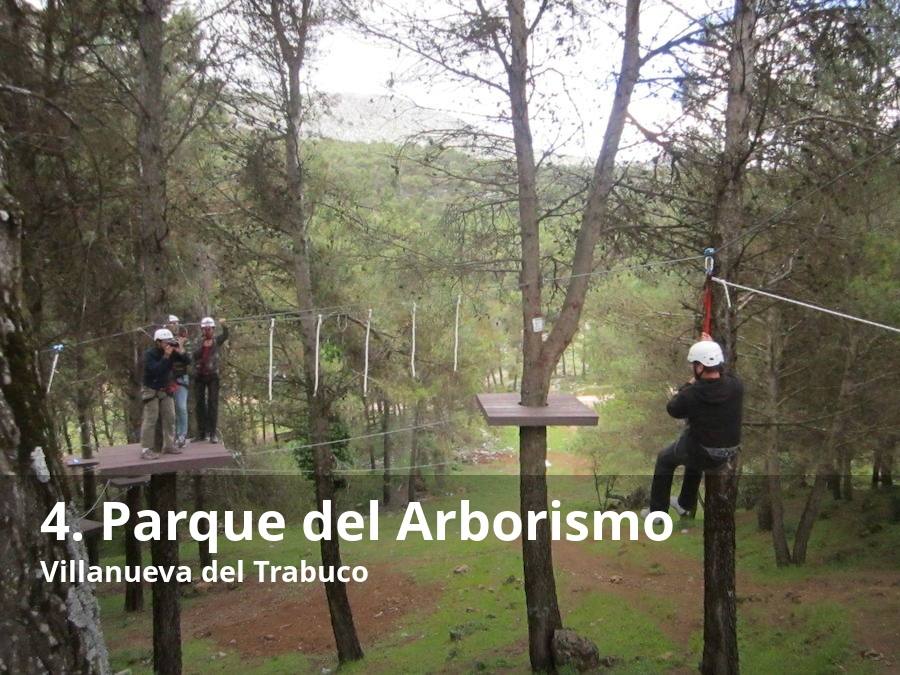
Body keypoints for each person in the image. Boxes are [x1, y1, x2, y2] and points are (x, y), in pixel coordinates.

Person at [641, 333, 743, 521]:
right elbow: (724, 373)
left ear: (700, 367)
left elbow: (673, 408)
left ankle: (657, 512)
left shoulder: (693, 393)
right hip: (729, 452)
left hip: (704, 453)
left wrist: (689, 383)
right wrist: (710, 346)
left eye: (694, 365)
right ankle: (684, 503)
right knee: (693, 446)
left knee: (665, 459)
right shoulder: (736, 386)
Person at [140, 328, 191, 460]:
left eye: (170, 341)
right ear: (158, 342)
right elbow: (156, 370)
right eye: (165, 342)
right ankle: (146, 449)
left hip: (165, 388)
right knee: (151, 418)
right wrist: (166, 356)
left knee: (170, 416)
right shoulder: (149, 354)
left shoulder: (171, 351)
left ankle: (168, 445)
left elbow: (187, 361)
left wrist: (180, 349)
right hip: (151, 389)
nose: (168, 344)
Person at [193, 316, 228, 443]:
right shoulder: (197, 341)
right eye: (205, 329)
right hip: (199, 376)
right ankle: (201, 433)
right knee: (199, 404)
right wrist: (202, 346)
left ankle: (212, 433)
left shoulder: (217, 340)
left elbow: (225, 335)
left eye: (210, 329)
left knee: (213, 404)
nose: (207, 331)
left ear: (213, 329)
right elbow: (194, 355)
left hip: (213, 376)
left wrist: (224, 325)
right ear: (202, 330)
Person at [166, 314, 191, 448]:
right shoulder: (163, 340)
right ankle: (173, 435)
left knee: (181, 407)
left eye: (176, 323)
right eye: (172, 323)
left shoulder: (185, 340)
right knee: (170, 410)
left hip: (181, 378)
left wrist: (180, 347)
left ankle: (182, 434)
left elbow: (189, 360)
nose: (174, 326)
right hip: (168, 379)